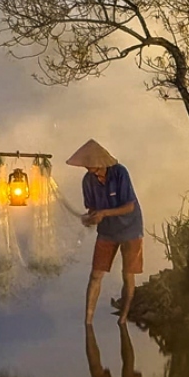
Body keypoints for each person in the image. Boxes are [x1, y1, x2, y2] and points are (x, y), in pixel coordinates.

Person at [66, 139, 143, 325]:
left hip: (130, 228)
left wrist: (104, 213)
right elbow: (92, 209)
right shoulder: (88, 181)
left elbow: (129, 206)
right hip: (107, 231)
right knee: (96, 274)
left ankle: (123, 317)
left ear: (101, 162)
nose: (90, 168)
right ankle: (88, 320)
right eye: (87, 165)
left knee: (128, 274)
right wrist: (90, 217)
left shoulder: (120, 173)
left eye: (93, 165)